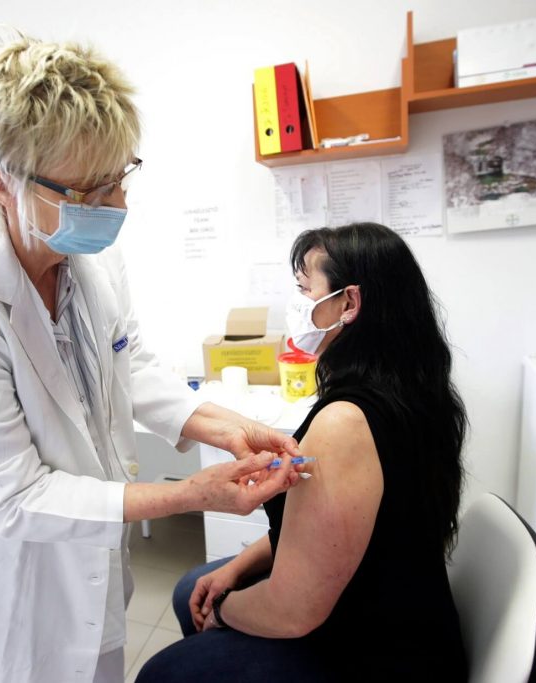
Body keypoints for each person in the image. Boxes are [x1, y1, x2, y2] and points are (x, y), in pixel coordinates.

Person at [0, 32, 301, 683]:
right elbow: (14, 497)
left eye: (119, 178)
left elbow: (127, 362)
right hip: (3, 600)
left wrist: (224, 426)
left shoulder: (90, 258)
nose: (117, 206)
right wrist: (190, 494)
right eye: (87, 191)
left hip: (90, 575)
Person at [137, 222, 469, 682]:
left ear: (349, 303)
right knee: (191, 588)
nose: (297, 305)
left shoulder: (346, 423)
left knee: (162, 671)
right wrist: (237, 568)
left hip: (380, 653)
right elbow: (318, 533)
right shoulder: (413, 388)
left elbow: (293, 613)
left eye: (304, 289)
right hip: (395, 600)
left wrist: (224, 610)